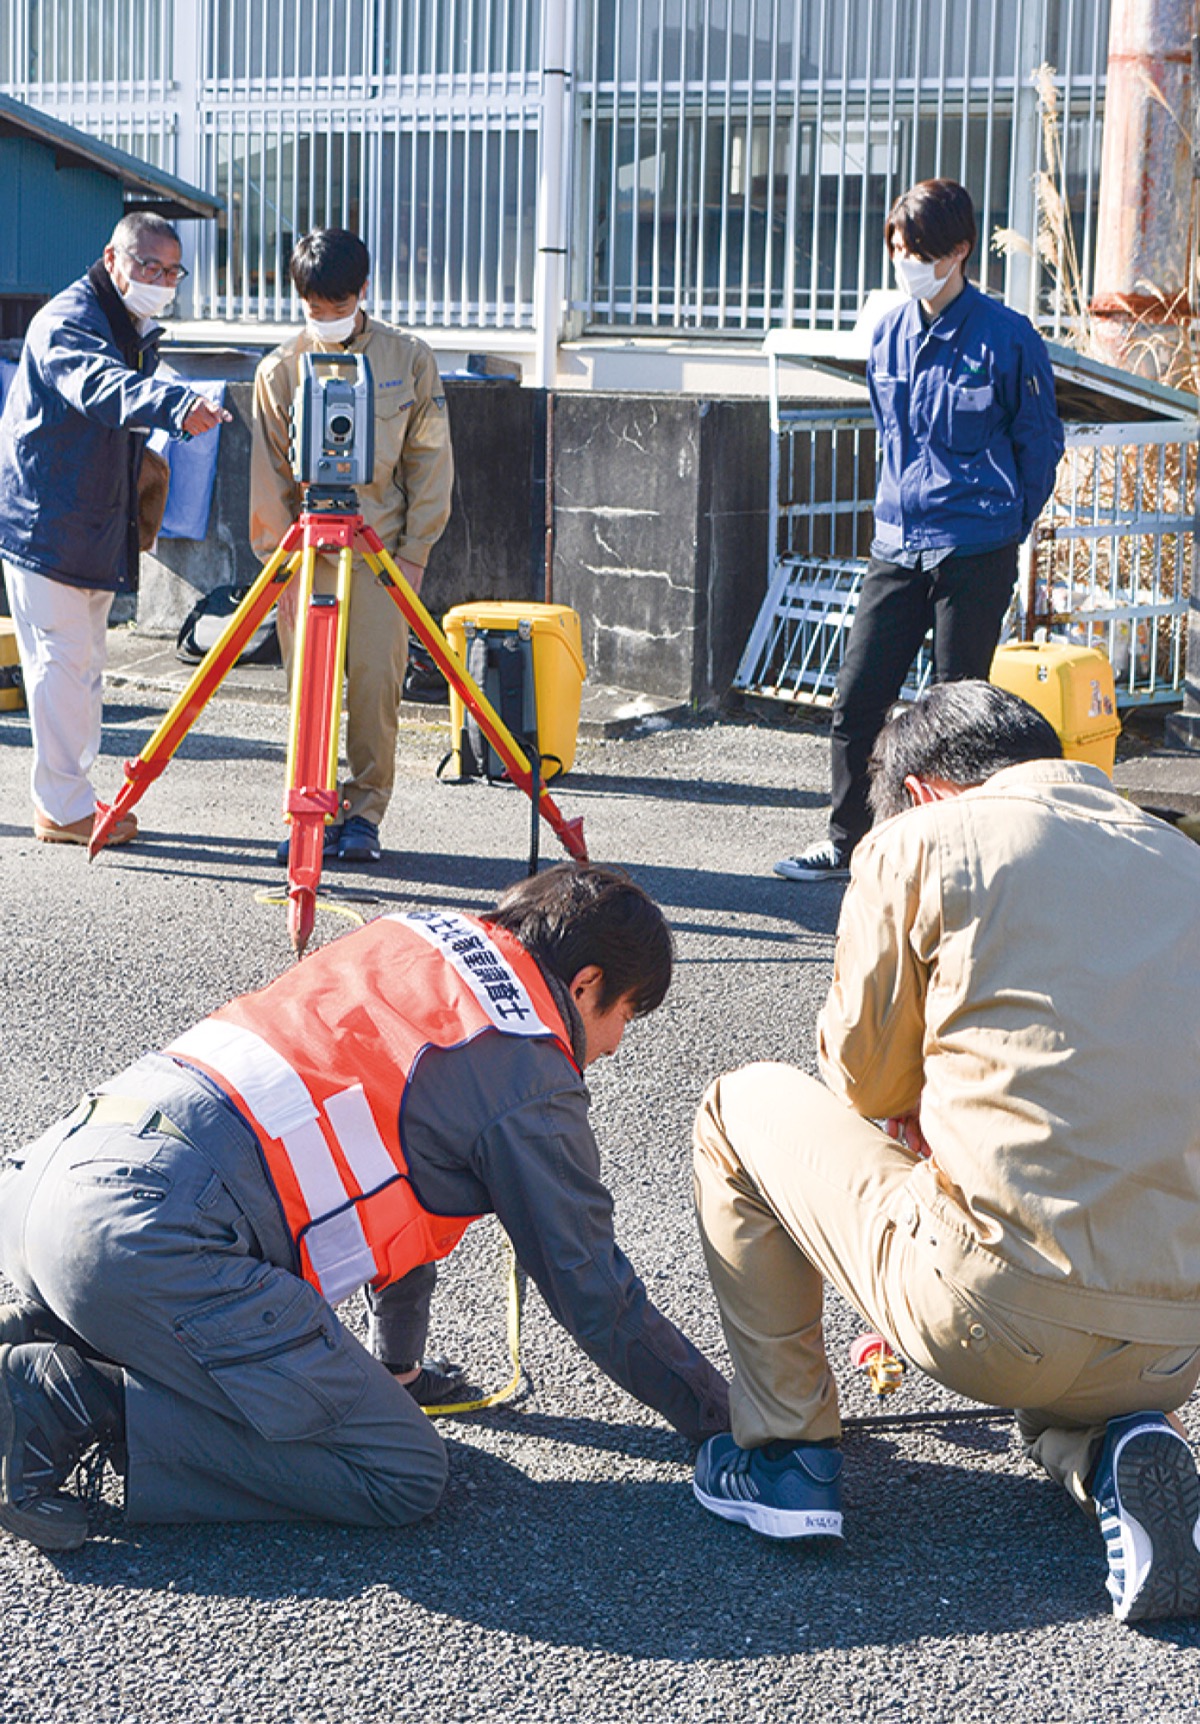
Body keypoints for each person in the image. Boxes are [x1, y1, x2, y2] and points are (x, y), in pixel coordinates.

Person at [0, 863, 729, 1553]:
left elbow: (394, 1179)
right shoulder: (526, 1064)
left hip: (54, 1182)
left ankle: (41, 1331)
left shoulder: (417, 940)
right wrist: (730, 1418)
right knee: (401, 1471)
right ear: (587, 983)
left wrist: (398, 1373)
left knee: (320, 1374)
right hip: (149, 1245)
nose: (616, 1043)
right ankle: (75, 1400)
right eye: (627, 1014)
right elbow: (592, 1286)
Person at [694, 682, 1200, 1624]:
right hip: (1174, 1342)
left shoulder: (921, 843)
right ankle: (1116, 1451)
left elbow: (863, 1084)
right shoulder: (1183, 860)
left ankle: (785, 1459)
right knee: (1078, 1342)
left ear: (924, 791)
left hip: (989, 1316)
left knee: (737, 1107)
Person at [774, 178, 1064, 882]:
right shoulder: (888, 330)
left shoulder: (1006, 336)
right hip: (897, 543)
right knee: (857, 696)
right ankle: (850, 841)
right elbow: (891, 436)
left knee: (957, 711)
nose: (907, 262)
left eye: (919, 250)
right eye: (899, 248)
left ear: (960, 250)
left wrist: (1004, 527)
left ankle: (949, 855)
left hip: (975, 547)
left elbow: (1040, 445)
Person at [0, 212, 228, 846]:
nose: (159, 278)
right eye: (147, 266)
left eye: (171, 269)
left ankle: (71, 796)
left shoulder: (124, 321)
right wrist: (176, 405)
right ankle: (62, 808)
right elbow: (102, 387)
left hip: (85, 518)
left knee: (81, 666)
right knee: (61, 667)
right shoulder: (71, 321)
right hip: (49, 522)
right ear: (112, 259)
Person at [250, 227, 453, 866]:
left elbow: (431, 463)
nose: (327, 318)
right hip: (306, 552)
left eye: (338, 305)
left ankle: (364, 814)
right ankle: (309, 807)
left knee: (374, 686)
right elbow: (268, 480)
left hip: (380, 552)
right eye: (315, 308)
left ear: (363, 291)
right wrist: (275, 568)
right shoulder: (279, 371)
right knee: (306, 692)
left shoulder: (409, 360)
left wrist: (416, 553)